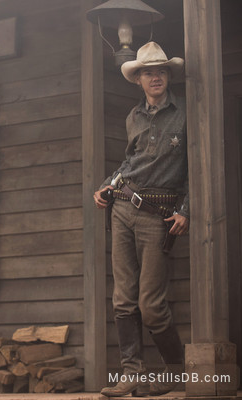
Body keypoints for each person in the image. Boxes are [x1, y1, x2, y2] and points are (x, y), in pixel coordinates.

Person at [94, 42, 189, 397]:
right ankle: (132, 374)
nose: (155, 77)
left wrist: (187, 210)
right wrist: (106, 185)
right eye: (148, 72)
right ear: (138, 79)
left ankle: (176, 375)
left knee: (151, 305)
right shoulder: (133, 117)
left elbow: (198, 167)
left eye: (161, 71)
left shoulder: (185, 114)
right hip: (121, 209)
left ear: (168, 75)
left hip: (158, 216)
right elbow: (128, 163)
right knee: (123, 299)